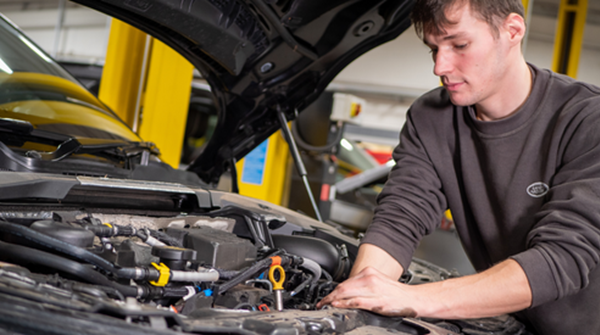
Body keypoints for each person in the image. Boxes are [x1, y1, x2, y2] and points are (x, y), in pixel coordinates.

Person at [317, 0, 600, 334]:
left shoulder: (586, 119)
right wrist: (362, 294)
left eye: (459, 45)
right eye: (433, 49)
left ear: (512, 30)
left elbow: (562, 260)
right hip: (517, 324)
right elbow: (399, 218)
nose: (439, 66)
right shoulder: (430, 118)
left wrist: (412, 298)